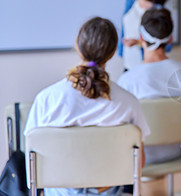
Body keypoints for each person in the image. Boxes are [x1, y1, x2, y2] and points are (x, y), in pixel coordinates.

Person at [24, 17, 150, 196]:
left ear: (78, 45)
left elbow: (31, 163)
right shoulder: (128, 102)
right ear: (113, 52)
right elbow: (138, 163)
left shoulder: (47, 99)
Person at [118, 7, 181, 164]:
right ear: (170, 39)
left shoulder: (127, 81)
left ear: (141, 36)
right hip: (179, 151)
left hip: (141, 156)